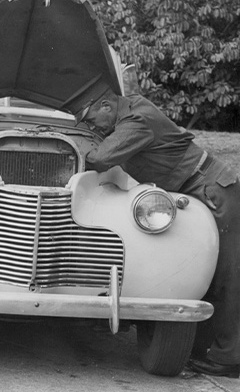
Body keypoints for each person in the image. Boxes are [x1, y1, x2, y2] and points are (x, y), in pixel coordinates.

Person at [63, 75, 240, 378]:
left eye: (93, 122)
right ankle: (206, 350)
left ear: (106, 105)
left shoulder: (137, 120)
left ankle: (230, 360)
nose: (95, 129)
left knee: (228, 276)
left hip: (212, 190)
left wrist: (72, 151)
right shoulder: (131, 108)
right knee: (208, 275)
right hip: (198, 187)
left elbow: (101, 157)